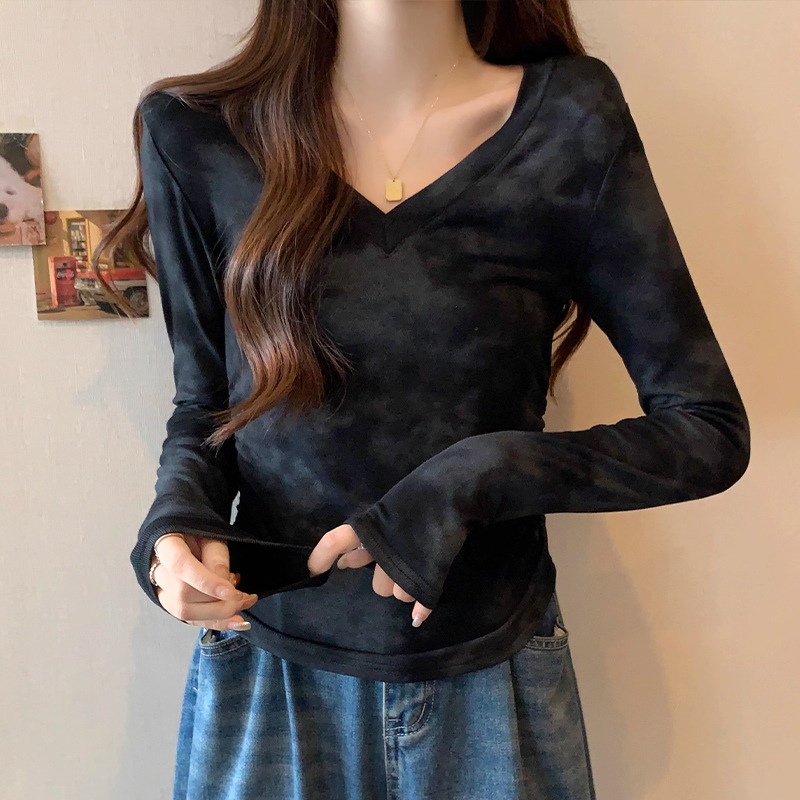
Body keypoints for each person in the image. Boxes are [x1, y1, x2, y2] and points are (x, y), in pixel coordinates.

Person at [102, 1, 750, 798]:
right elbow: (206, 409)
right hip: (274, 679)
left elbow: (706, 430)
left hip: (491, 670)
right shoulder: (198, 133)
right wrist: (172, 527)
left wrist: (472, 476)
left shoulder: (571, 118)